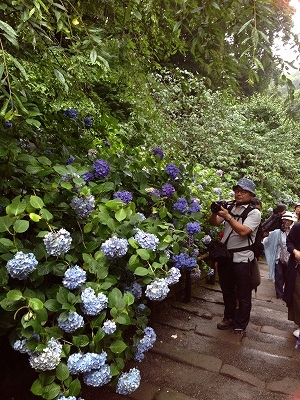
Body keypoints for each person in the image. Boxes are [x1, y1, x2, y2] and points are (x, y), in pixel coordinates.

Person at [209, 178, 261, 335]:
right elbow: (214, 223)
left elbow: (244, 231)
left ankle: (240, 324)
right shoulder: (229, 206)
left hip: (243, 258)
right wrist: (214, 212)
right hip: (226, 257)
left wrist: (228, 216)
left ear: (251, 194)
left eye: (243, 191)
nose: (239, 193)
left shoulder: (254, 212)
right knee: (227, 290)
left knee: (243, 293)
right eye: (237, 190)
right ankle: (228, 317)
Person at [263, 212, 296, 299]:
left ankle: (284, 293)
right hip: (278, 257)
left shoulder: (293, 232)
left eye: (289, 221)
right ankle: (279, 294)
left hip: (289, 258)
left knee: (286, 275)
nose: (287, 222)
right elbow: (267, 240)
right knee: (279, 275)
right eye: (285, 220)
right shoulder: (277, 232)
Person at [283, 221, 300, 339]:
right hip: (298, 268)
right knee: (297, 295)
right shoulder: (298, 227)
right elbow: (289, 242)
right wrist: (295, 251)